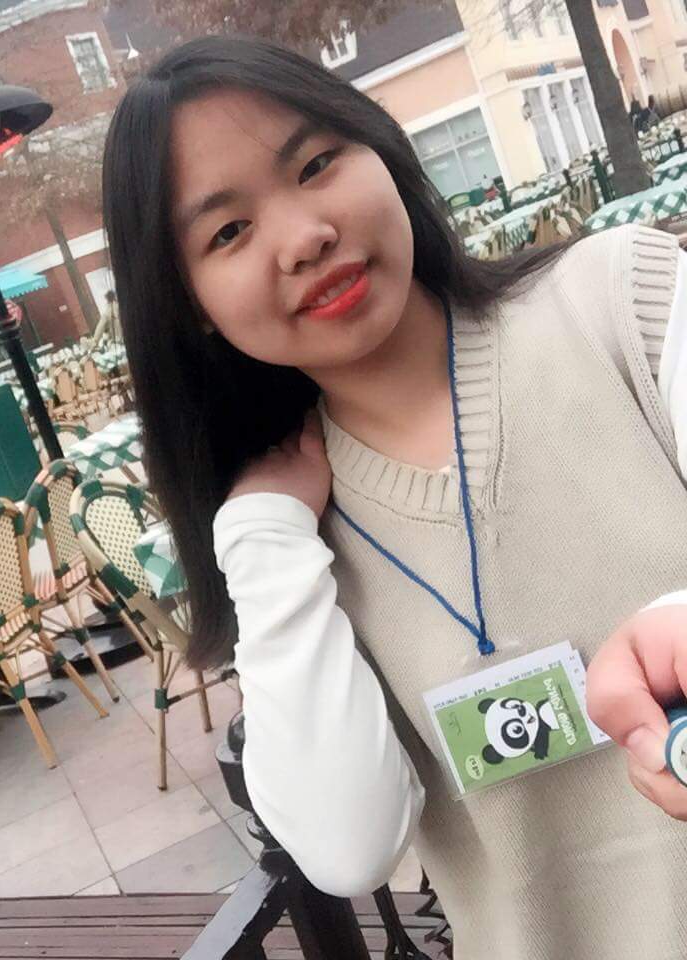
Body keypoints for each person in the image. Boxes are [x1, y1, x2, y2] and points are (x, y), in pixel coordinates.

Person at [102, 35, 687, 959]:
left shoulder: (626, 306)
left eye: (316, 165)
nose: (305, 237)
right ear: (188, 307)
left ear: (382, 148)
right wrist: (262, 532)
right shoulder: (295, 541)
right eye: (229, 232)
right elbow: (348, 850)